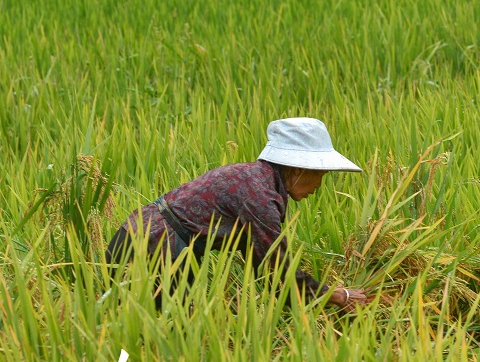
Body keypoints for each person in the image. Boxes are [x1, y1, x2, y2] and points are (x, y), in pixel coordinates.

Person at [105, 117, 370, 311]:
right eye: (320, 174)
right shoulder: (260, 199)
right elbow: (277, 272)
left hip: (144, 238)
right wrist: (338, 296)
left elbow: (265, 272)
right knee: (173, 333)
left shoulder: (255, 179)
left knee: (154, 327)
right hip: (154, 249)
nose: (319, 185)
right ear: (298, 167)